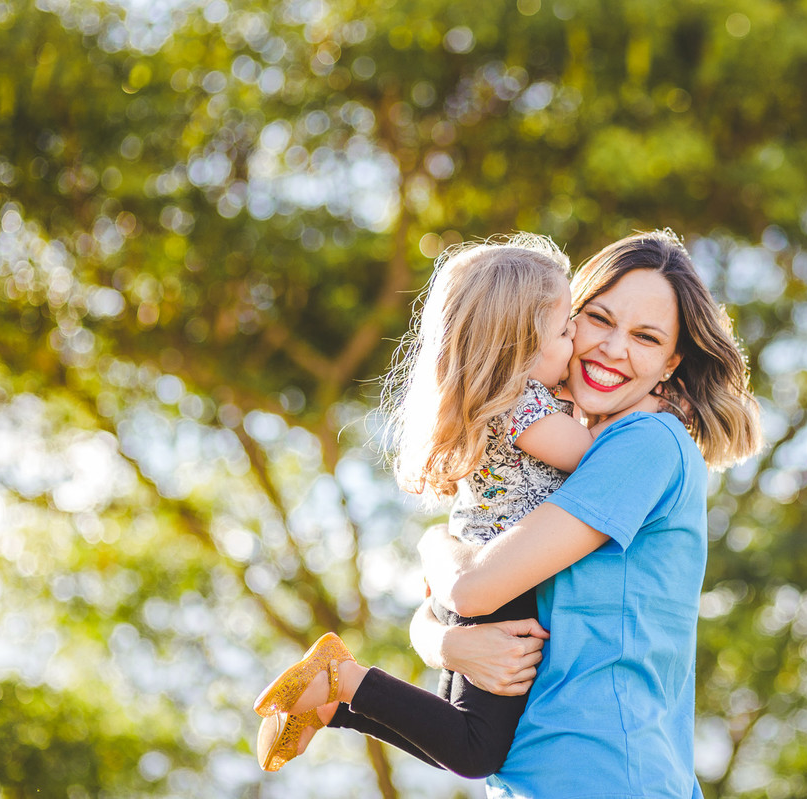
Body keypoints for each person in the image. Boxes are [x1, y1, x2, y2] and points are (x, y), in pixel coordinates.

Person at [251, 234, 658, 775]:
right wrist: (640, 408)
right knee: (475, 752)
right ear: (521, 345)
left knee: (459, 735)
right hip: (503, 581)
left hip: (473, 575)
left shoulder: (508, 401)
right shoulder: (526, 407)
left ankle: (335, 705)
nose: (577, 339)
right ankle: (343, 679)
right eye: (565, 330)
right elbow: (595, 460)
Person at [412, 230, 763, 797]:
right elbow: (454, 604)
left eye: (645, 337)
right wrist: (440, 643)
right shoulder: (548, 446)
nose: (612, 349)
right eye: (598, 319)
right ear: (560, 325)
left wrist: (433, 545)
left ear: (671, 364)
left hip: (607, 773)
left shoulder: (644, 443)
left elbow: (471, 589)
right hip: (539, 774)